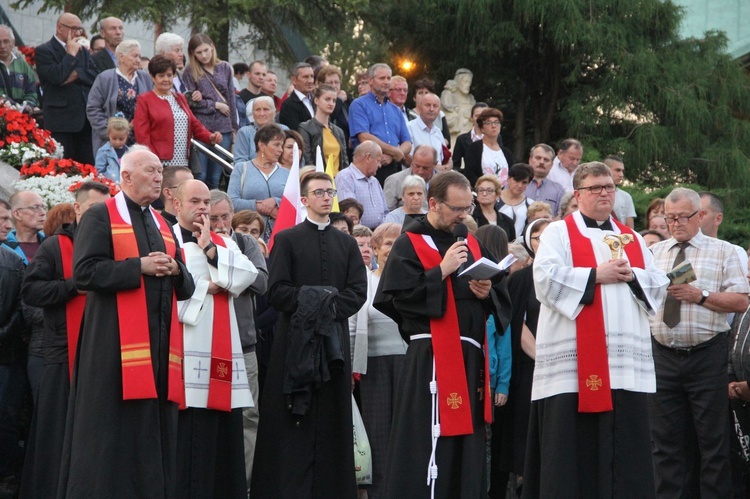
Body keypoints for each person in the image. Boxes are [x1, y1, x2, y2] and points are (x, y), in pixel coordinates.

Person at [524, 161, 669, 498]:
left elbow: (658, 284)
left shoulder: (630, 236)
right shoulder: (558, 232)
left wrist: (633, 275)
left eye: (609, 187)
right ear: (578, 194)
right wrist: (595, 275)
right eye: (596, 187)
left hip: (623, 368)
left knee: (626, 451)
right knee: (573, 453)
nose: (605, 192)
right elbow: (543, 279)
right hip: (573, 367)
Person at [57, 147, 196, 497]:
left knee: (154, 429)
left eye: (159, 171)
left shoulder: (162, 222)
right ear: (126, 177)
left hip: (161, 347)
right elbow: (85, 273)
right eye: (150, 171)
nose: (157, 177)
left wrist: (177, 269)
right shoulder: (101, 216)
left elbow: (188, 285)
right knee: (112, 431)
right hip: (113, 349)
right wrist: (139, 266)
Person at [373, 171, 511, 497]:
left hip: (470, 358)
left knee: (467, 444)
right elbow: (394, 298)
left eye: (468, 208)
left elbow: (500, 296)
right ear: (433, 203)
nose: (464, 216)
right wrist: (441, 272)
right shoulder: (410, 242)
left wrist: (486, 291)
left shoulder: (472, 242)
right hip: (430, 358)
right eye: (456, 209)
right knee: (426, 438)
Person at [251, 172, 367, 498]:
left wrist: (324, 306)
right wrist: (321, 302)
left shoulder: (346, 243)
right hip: (294, 343)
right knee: (291, 418)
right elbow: (278, 292)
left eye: (329, 192)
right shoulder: (286, 240)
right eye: (318, 192)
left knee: (332, 415)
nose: (326, 197)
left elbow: (357, 292)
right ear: (304, 199)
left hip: (333, 343)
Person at [649, 187, 750, 498]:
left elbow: (741, 301)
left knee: (713, 442)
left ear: (700, 215)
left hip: (707, 355)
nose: (676, 223)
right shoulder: (652, 253)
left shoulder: (726, 251)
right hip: (662, 355)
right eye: (670, 217)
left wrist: (701, 295)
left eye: (683, 217)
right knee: (666, 444)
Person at [19, 181, 111, 499]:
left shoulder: (115, 243)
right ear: (77, 210)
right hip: (62, 353)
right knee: (55, 438)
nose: (102, 216)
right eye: (95, 209)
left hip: (104, 355)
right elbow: (31, 291)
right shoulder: (55, 247)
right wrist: (73, 285)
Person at [172, 180, 258, 498]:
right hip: (187, 345)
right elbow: (163, 294)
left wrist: (210, 248)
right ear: (176, 202)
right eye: (195, 200)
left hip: (224, 350)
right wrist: (202, 287)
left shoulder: (222, 243)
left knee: (225, 439)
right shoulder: (167, 239)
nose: (203, 208)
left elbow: (249, 276)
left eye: (207, 202)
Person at [209, 189, 269, 489]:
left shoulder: (245, 242)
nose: (220, 224)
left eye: (224, 216)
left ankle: (244, 485)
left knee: (248, 416)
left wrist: (229, 265)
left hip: (243, 343)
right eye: (213, 218)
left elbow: (261, 282)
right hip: (205, 345)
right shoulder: (195, 243)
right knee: (210, 415)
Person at [493, 218, 551, 498]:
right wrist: (544, 357)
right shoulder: (520, 279)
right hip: (533, 366)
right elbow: (517, 325)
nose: (545, 242)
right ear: (530, 243)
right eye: (539, 237)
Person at [349, 222, 406, 499]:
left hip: (410, 365)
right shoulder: (366, 282)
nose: (393, 250)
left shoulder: (412, 282)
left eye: (398, 244)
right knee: (379, 435)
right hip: (374, 367)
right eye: (387, 244)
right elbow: (352, 327)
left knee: (408, 432)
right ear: (374, 248)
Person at [133, 55, 221, 168]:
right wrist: (152, 161)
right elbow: (142, 136)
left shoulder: (180, 98)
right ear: (152, 77)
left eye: (169, 75)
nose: (166, 79)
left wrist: (210, 137)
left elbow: (194, 125)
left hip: (183, 162)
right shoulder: (144, 100)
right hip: (159, 163)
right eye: (161, 76)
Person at [35, 12, 99, 164]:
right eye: (73, 29)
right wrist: (70, 55)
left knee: (87, 166)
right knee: (64, 166)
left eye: (79, 29)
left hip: (83, 120)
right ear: (59, 28)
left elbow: (95, 76)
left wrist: (75, 74)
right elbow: (56, 77)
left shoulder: (82, 51)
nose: (77, 33)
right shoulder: (44, 50)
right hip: (61, 121)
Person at [182, 33, 238, 189]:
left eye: (206, 50)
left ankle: (213, 210)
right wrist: (214, 105)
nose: (204, 55)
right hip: (202, 127)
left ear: (212, 48)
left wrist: (234, 127)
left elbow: (231, 99)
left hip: (224, 127)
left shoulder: (225, 67)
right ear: (193, 54)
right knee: (201, 174)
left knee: (216, 176)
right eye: (199, 52)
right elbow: (189, 102)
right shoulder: (190, 71)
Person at [0, 199, 28, 498]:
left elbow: (24, 308)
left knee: (6, 422)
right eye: (2, 219)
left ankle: (8, 476)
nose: (8, 225)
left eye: (9, 218)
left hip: (7, 358)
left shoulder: (14, 261)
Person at [348, 63, 412, 184]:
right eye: (382, 78)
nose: (386, 82)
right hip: (366, 166)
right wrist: (394, 151)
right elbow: (364, 137)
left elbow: (407, 142)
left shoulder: (395, 110)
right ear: (371, 81)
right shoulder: (359, 105)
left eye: (388, 78)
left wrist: (392, 156)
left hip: (393, 168)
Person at [87, 39, 152, 154]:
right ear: (121, 57)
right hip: (112, 141)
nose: (138, 60)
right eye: (134, 56)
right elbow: (93, 108)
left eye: (139, 57)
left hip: (139, 141)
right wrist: (111, 131)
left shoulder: (144, 78)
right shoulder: (105, 78)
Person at [228, 124, 290, 241]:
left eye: (281, 146)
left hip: (281, 237)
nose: (280, 150)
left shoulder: (286, 173)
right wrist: (259, 206)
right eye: (276, 145)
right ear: (261, 145)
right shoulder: (241, 168)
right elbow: (232, 202)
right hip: (248, 237)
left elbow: (295, 203)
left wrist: (275, 202)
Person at [335, 141, 389, 229]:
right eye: (378, 161)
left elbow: (385, 212)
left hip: (379, 234)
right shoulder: (345, 177)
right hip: (359, 235)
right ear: (368, 157)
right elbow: (350, 214)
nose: (380, 165)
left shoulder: (375, 181)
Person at [299, 84, 348, 174]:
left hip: (339, 181)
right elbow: (308, 159)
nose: (331, 104)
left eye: (334, 100)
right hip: (319, 180)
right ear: (316, 100)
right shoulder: (305, 128)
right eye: (327, 99)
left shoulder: (339, 131)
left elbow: (344, 161)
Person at [462, 108, 514, 187]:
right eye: (489, 123)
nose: (493, 126)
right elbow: (469, 173)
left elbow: (513, 175)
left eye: (496, 122)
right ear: (482, 128)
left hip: (504, 195)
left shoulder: (506, 152)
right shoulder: (475, 148)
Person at [234, 96, 289, 163]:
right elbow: (240, 161)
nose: (261, 113)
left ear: (274, 112)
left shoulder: (284, 130)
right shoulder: (244, 133)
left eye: (266, 109)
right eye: (257, 110)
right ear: (253, 114)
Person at [383, 144, 436, 212]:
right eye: (417, 166)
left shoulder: (444, 181)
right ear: (412, 161)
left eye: (425, 168)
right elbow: (387, 212)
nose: (420, 171)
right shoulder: (394, 181)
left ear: (435, 164)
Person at [0, 24, 40, 109]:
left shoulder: (23, 65)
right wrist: (16, 107)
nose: (2, 46)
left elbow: (32, 91)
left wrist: (28, 105)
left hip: (21, 117)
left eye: (6, 41)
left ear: (13, 43)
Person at [407, 93, 450, 170]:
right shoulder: (409, 128)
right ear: (419, 107)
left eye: (435, 106)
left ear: (439, 110)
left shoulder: (438, 132)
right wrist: (435, 169)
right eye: (427, 105)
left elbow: (446, 157)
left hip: (438, 179)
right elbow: (407, 158)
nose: (431, 109)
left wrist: (447, 168)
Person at [315, 65, 350, 151]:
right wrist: (339, 100)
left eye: (336, 82)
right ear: (320, 84)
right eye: (330, 83)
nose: (334, 86)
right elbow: (328, 116)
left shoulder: (348, 101)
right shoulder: (317, 101)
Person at [472, 174, 517, 240]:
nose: (484, 194)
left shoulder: (508, 221)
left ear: (497, 195)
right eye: (481, 190)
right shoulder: (472, 217)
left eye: (489, 191)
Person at [524, 144, 565, 215]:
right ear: (530, 160)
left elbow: (561, 215)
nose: (542, 162)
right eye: (538, 158)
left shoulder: (559, 190)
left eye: (546, 160)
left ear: (552, 165)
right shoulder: (516, 184)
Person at [498, 164, 534, 238]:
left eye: (524, 182)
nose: (520, 185)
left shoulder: (531, 204)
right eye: (516, 180)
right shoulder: (495, 199)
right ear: (508, 178)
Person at [278, 62, 315, 131]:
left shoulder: (317, 101)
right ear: (294, 80)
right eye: (305, 77)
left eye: (312, 76)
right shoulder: (288, 105)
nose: (310, 81)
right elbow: (295, 133)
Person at [451, 102, 488, 171]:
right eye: (477, 116)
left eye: (484, 116)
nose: (480, 119)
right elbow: (455, 165)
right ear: (471, 117)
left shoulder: (495, 138)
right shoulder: (461, 139)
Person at [604, 155, 636, 228]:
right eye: (618, 170)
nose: (621, 175)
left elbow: (630, 228)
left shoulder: (626, 197)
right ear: (607, 170)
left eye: (622, 171)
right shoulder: (594, 194)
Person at [94, 116, 130, 180]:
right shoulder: (103, 151)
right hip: (110, 185)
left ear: (127, 136)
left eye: (121, 139)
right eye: (114, 138)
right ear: (108, 135)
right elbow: (99, 171)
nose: (117, 142)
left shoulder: (129, 152)